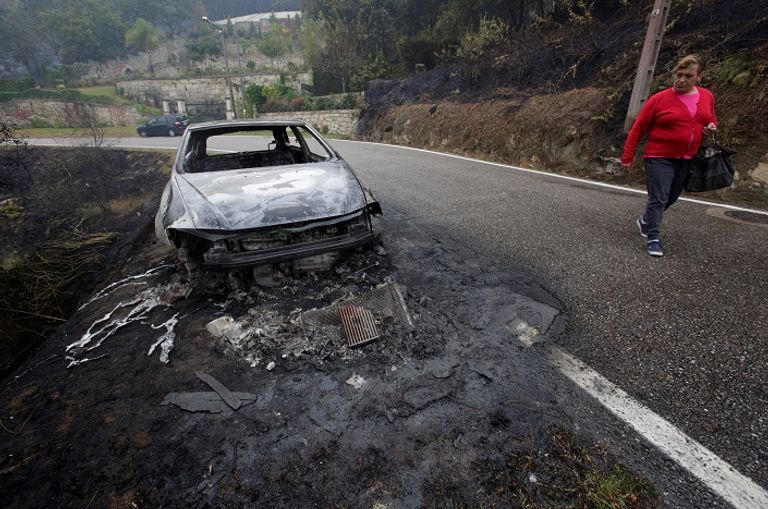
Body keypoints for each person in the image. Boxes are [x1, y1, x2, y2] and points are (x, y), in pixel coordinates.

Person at [621, 54, 718, 257]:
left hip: (686, 158)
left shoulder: (707, 96)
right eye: (679, 75)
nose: (682, 80)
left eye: (688, 76)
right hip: (658, 156)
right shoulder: (660, 99)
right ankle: (653, 237)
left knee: (671, 197)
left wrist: (711, 127)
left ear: (699, 77)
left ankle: (646, 221)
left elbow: (710, 118)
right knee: (659, 197)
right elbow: (638, 129)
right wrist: (628, 156)